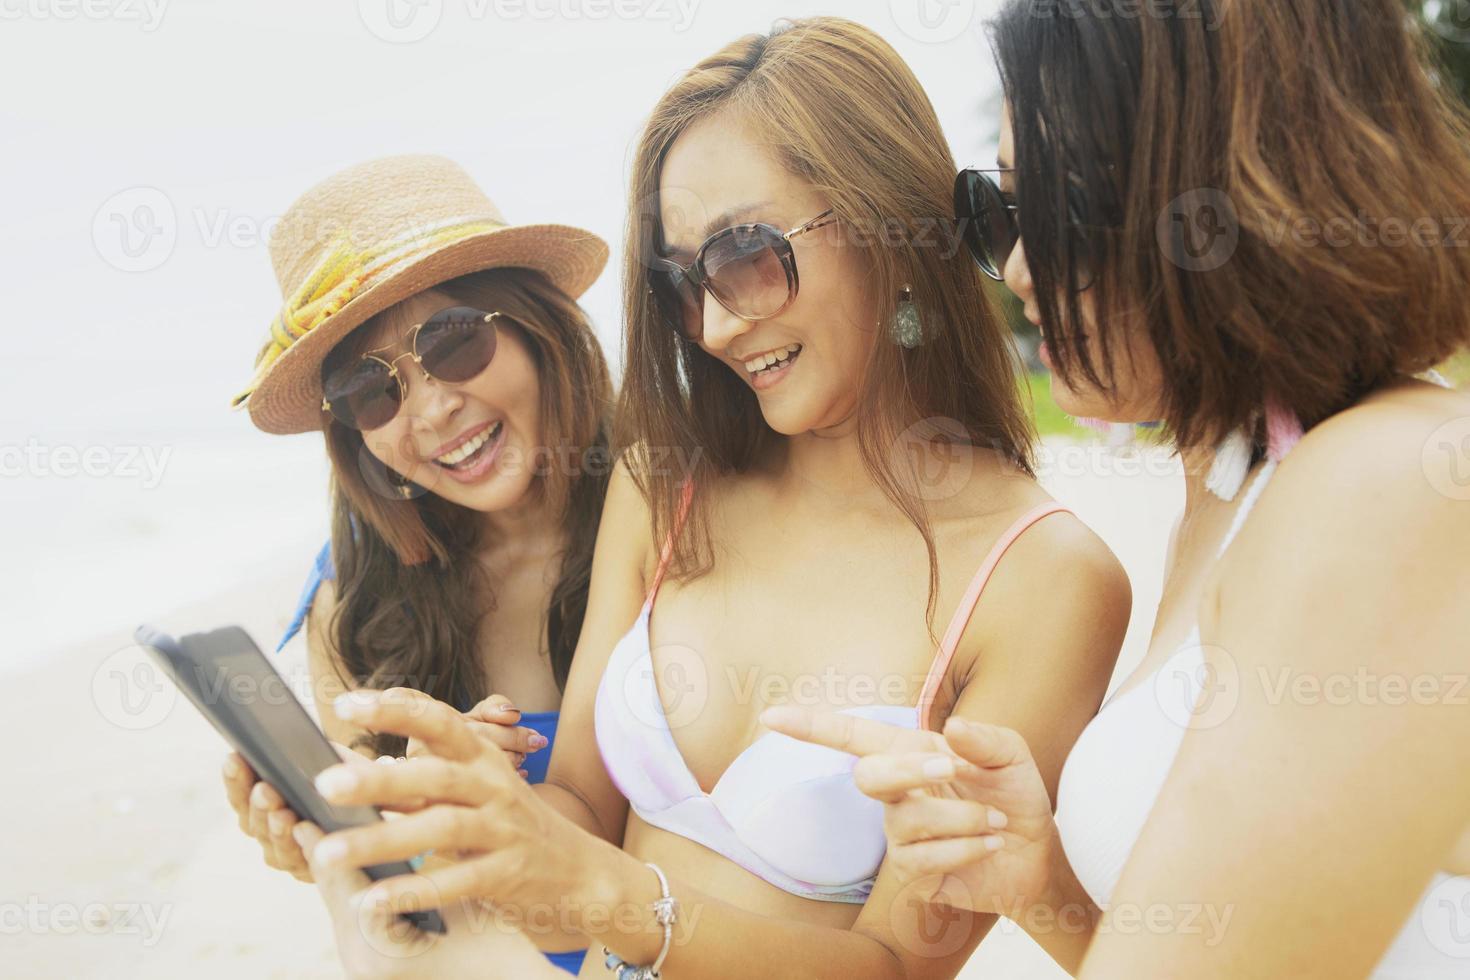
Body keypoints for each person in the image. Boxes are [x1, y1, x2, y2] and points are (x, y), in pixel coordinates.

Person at [294, 17, 1133, 979]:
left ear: (887, 224)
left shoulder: (1045, 578)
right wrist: (478, 805)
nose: (719, 325)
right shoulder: (667, 482)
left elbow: (903, 964)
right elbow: (576, 804)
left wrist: (614, 898)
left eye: (745, 255)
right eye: (685, 281)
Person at [765, 1, 1470, 976]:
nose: (1015, 265)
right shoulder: (1238, 481)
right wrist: (1038, 877)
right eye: (999, 210)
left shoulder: (1388, 487)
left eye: (1056, 210)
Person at [220, 154, 615, 975]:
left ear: (537, 325)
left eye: (454, 340)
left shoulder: (670, 517)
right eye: (374, 391)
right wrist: (337, 846)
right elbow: (402, 913)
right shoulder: (353, 606)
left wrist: (467, 801)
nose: (432, 408)